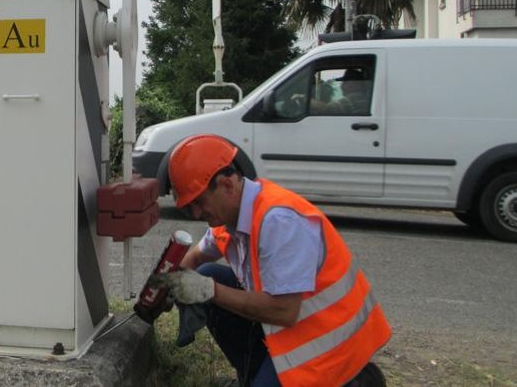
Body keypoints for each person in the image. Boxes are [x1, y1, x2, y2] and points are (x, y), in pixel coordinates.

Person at [151, 134, 392, 386]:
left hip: (328, 346)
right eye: (190, 207)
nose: (196, 213)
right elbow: (198, 255)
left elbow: (285, 311)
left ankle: (354, 380)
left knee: (212, 283)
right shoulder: (230, 215)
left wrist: (206, 290)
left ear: (227, 185)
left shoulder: (279, 221)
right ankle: (253, 376)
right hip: (291, 332)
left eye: (199, 202)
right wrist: (168, 285)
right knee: (211, 271)